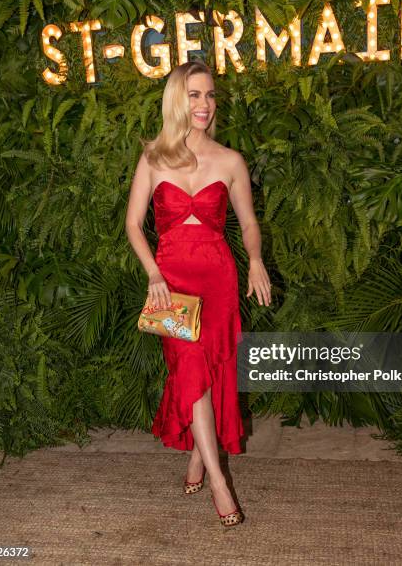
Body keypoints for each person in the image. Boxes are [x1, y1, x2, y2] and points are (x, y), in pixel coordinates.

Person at [125, 60, 271, 527]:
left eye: (210, 95)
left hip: (218, 279)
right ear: (176, 100)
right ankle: (219, 480)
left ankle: (197, 460)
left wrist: (255, 260)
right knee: (188, 366)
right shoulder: (152, 157)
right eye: (194, 95)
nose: (204, 104)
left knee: (211, 370)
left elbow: (248, 222)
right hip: (169, 283)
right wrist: (152, 274)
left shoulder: (231, 162)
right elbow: (132, 225)